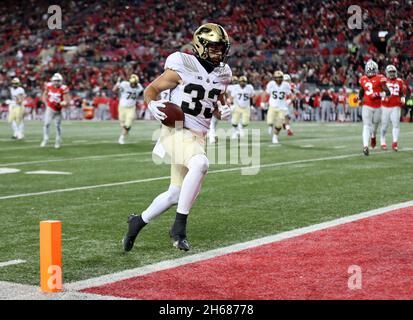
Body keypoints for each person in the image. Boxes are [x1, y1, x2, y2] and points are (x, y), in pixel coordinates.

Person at [122, 23, 232, 252]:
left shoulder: (224, 73)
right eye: (214, 48)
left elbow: (214, 104)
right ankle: (178, 228)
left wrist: (223, 110)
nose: (219, 53)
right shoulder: (183, 64)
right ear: (200, 46)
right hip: (176, 130)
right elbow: (151, 89)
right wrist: (151, 104)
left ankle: (137, 221)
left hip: (197, 137)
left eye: (221, 48)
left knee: (176, 193)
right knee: (200, 164)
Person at [358, 60, 390, 156]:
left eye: (372, 69)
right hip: (367, 105)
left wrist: (378, 94)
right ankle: (365, 146)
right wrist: (359, 98)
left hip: (377, 106)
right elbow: (361, 91)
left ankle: (373, 136)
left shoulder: (380, 78)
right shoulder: (363, 79)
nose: (371, 71)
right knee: (366, 125)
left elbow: (388, 93)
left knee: (375, 125)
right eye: (369, 69)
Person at [380, 65, 406, 151]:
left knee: (396, 124)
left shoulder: (400, 81)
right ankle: (382, 140)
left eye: (393, 72)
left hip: (395, 106)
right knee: (385, 125)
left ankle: (395, 143)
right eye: (390, 72)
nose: (392, 74)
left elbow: (401, 92)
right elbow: (379, 92)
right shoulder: (383, 81)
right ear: (387, 72)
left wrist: (403, 99)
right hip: (385, 106)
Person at [40, 73, 70, 148]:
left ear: (61, 81)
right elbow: (44, 95)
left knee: (57, 126)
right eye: (55, 81)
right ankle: (45, 139)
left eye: (58, 81)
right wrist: (46, 103)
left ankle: (57, 141)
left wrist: (60, 104)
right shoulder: (49, 85)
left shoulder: (63, 88)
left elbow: (67, 101)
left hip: (58, 109)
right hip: (50, 108)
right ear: (52, 81)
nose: (56, 82)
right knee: (46, 124)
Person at [113, 74, 144, 144]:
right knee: (123, 124)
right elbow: (114, 90)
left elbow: (142, 93)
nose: (133, 85)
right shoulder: (124, 84)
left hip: (131, 108)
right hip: (122, 107)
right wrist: (118, 84)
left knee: (128, 123)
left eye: (134, 84)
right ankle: (126, 131)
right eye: (132, 84)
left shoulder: (139, 87)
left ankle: (122, 137)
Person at [264, 70, 292, 143]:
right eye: (277, 78)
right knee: (269, 121)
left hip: (282, 107)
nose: (278, 79)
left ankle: (275, 137)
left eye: (280, 77)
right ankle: (270, 126)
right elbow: (265, 93)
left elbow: (291, 95)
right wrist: (262, 102)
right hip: (272, 106)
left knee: (279, 125)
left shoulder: (286, 85)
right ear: (274, 78)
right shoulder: (271, 84)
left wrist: (290, 100)